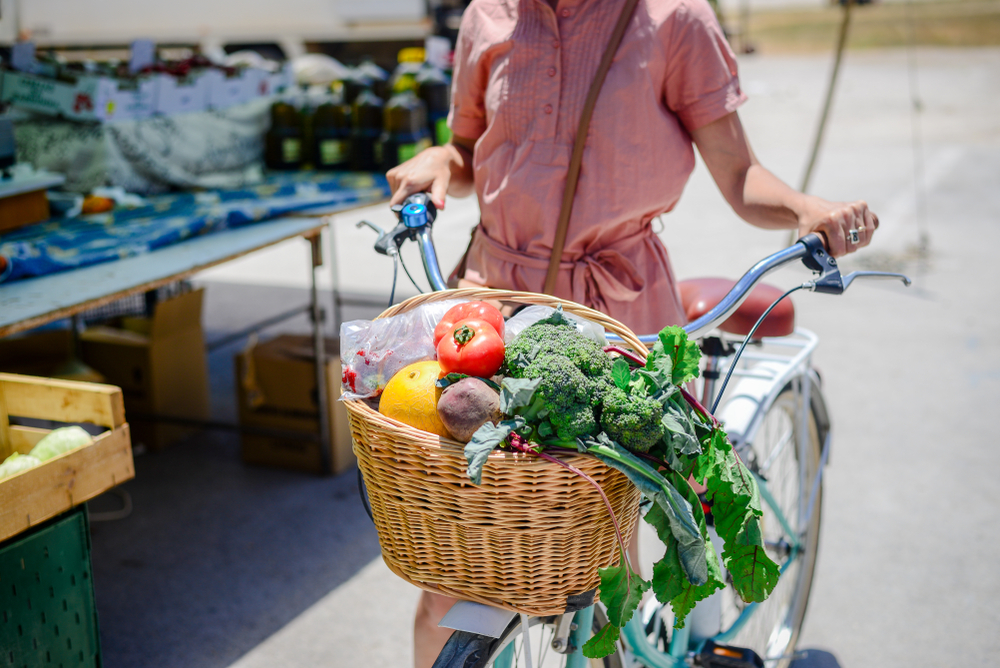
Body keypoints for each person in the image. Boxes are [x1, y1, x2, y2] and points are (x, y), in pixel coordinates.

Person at [387, 0, 878, 665]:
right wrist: (440, 162)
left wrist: (806, 208)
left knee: (603, 571)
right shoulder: (488, 16)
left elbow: (739, 174)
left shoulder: (675, 19)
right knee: (451, 584)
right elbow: (470, 152)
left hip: (617, 317)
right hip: (491, 309)